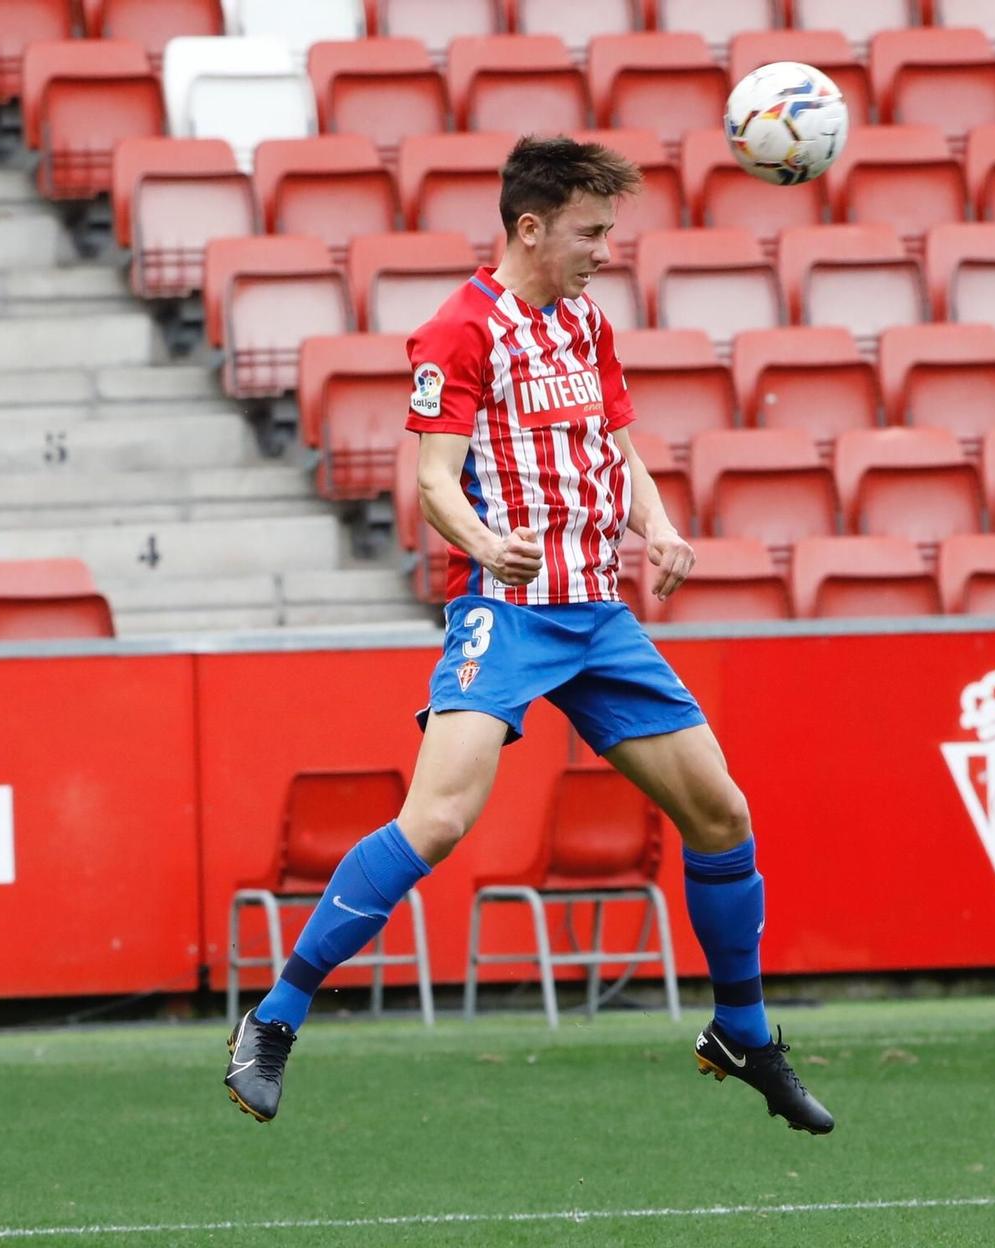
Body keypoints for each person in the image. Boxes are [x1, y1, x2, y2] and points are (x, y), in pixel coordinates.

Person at [223, 136, 833, 1136]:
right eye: (590, 232)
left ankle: (742, 1030)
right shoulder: (456, 333)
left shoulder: (586, 323)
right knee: (437, 821)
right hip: (505, 615)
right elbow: (429, 482)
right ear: (529, 227)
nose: (604, 251)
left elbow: (615, 446)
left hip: (598, 616)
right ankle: (275, 1016)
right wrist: (482, 543)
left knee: (721, 815)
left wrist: (660, 525)